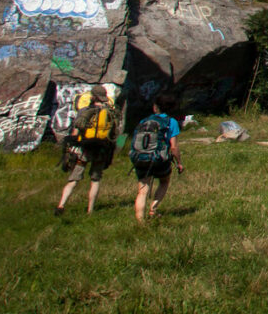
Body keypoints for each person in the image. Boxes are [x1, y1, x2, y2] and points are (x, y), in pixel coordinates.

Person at [55, 85, 117, 217]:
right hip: (101, 149)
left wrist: (72, 145)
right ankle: (90, 211)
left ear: (93, 96)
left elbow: (76, 130)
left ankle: (61, 204)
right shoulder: (110, 113)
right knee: (95, 180)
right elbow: (115, 135)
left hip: (84, 148)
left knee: (74, 179)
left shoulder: (85, 110)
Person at [128, 97, 183, 222]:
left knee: (142, 191)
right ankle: (153, 209)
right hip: (159, 159)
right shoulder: (171, 122)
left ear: (155, 107)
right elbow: (174, 147)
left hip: (140, 158)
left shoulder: (144, 120)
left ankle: (140, 223)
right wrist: (179, 163)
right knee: (164, 181)